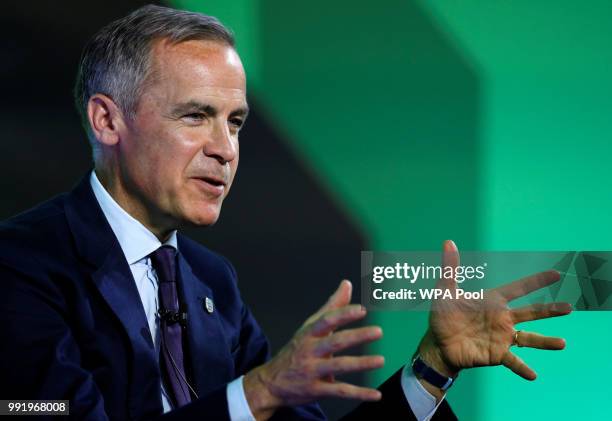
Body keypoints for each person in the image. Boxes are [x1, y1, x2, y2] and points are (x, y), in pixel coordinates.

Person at [0, 5, 572, 420]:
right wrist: (257, 393)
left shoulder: (211, 284)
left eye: (236, 121)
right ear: (107, 122)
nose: (225, 149)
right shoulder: (21, 264)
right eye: (196, 116)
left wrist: (431, 367)